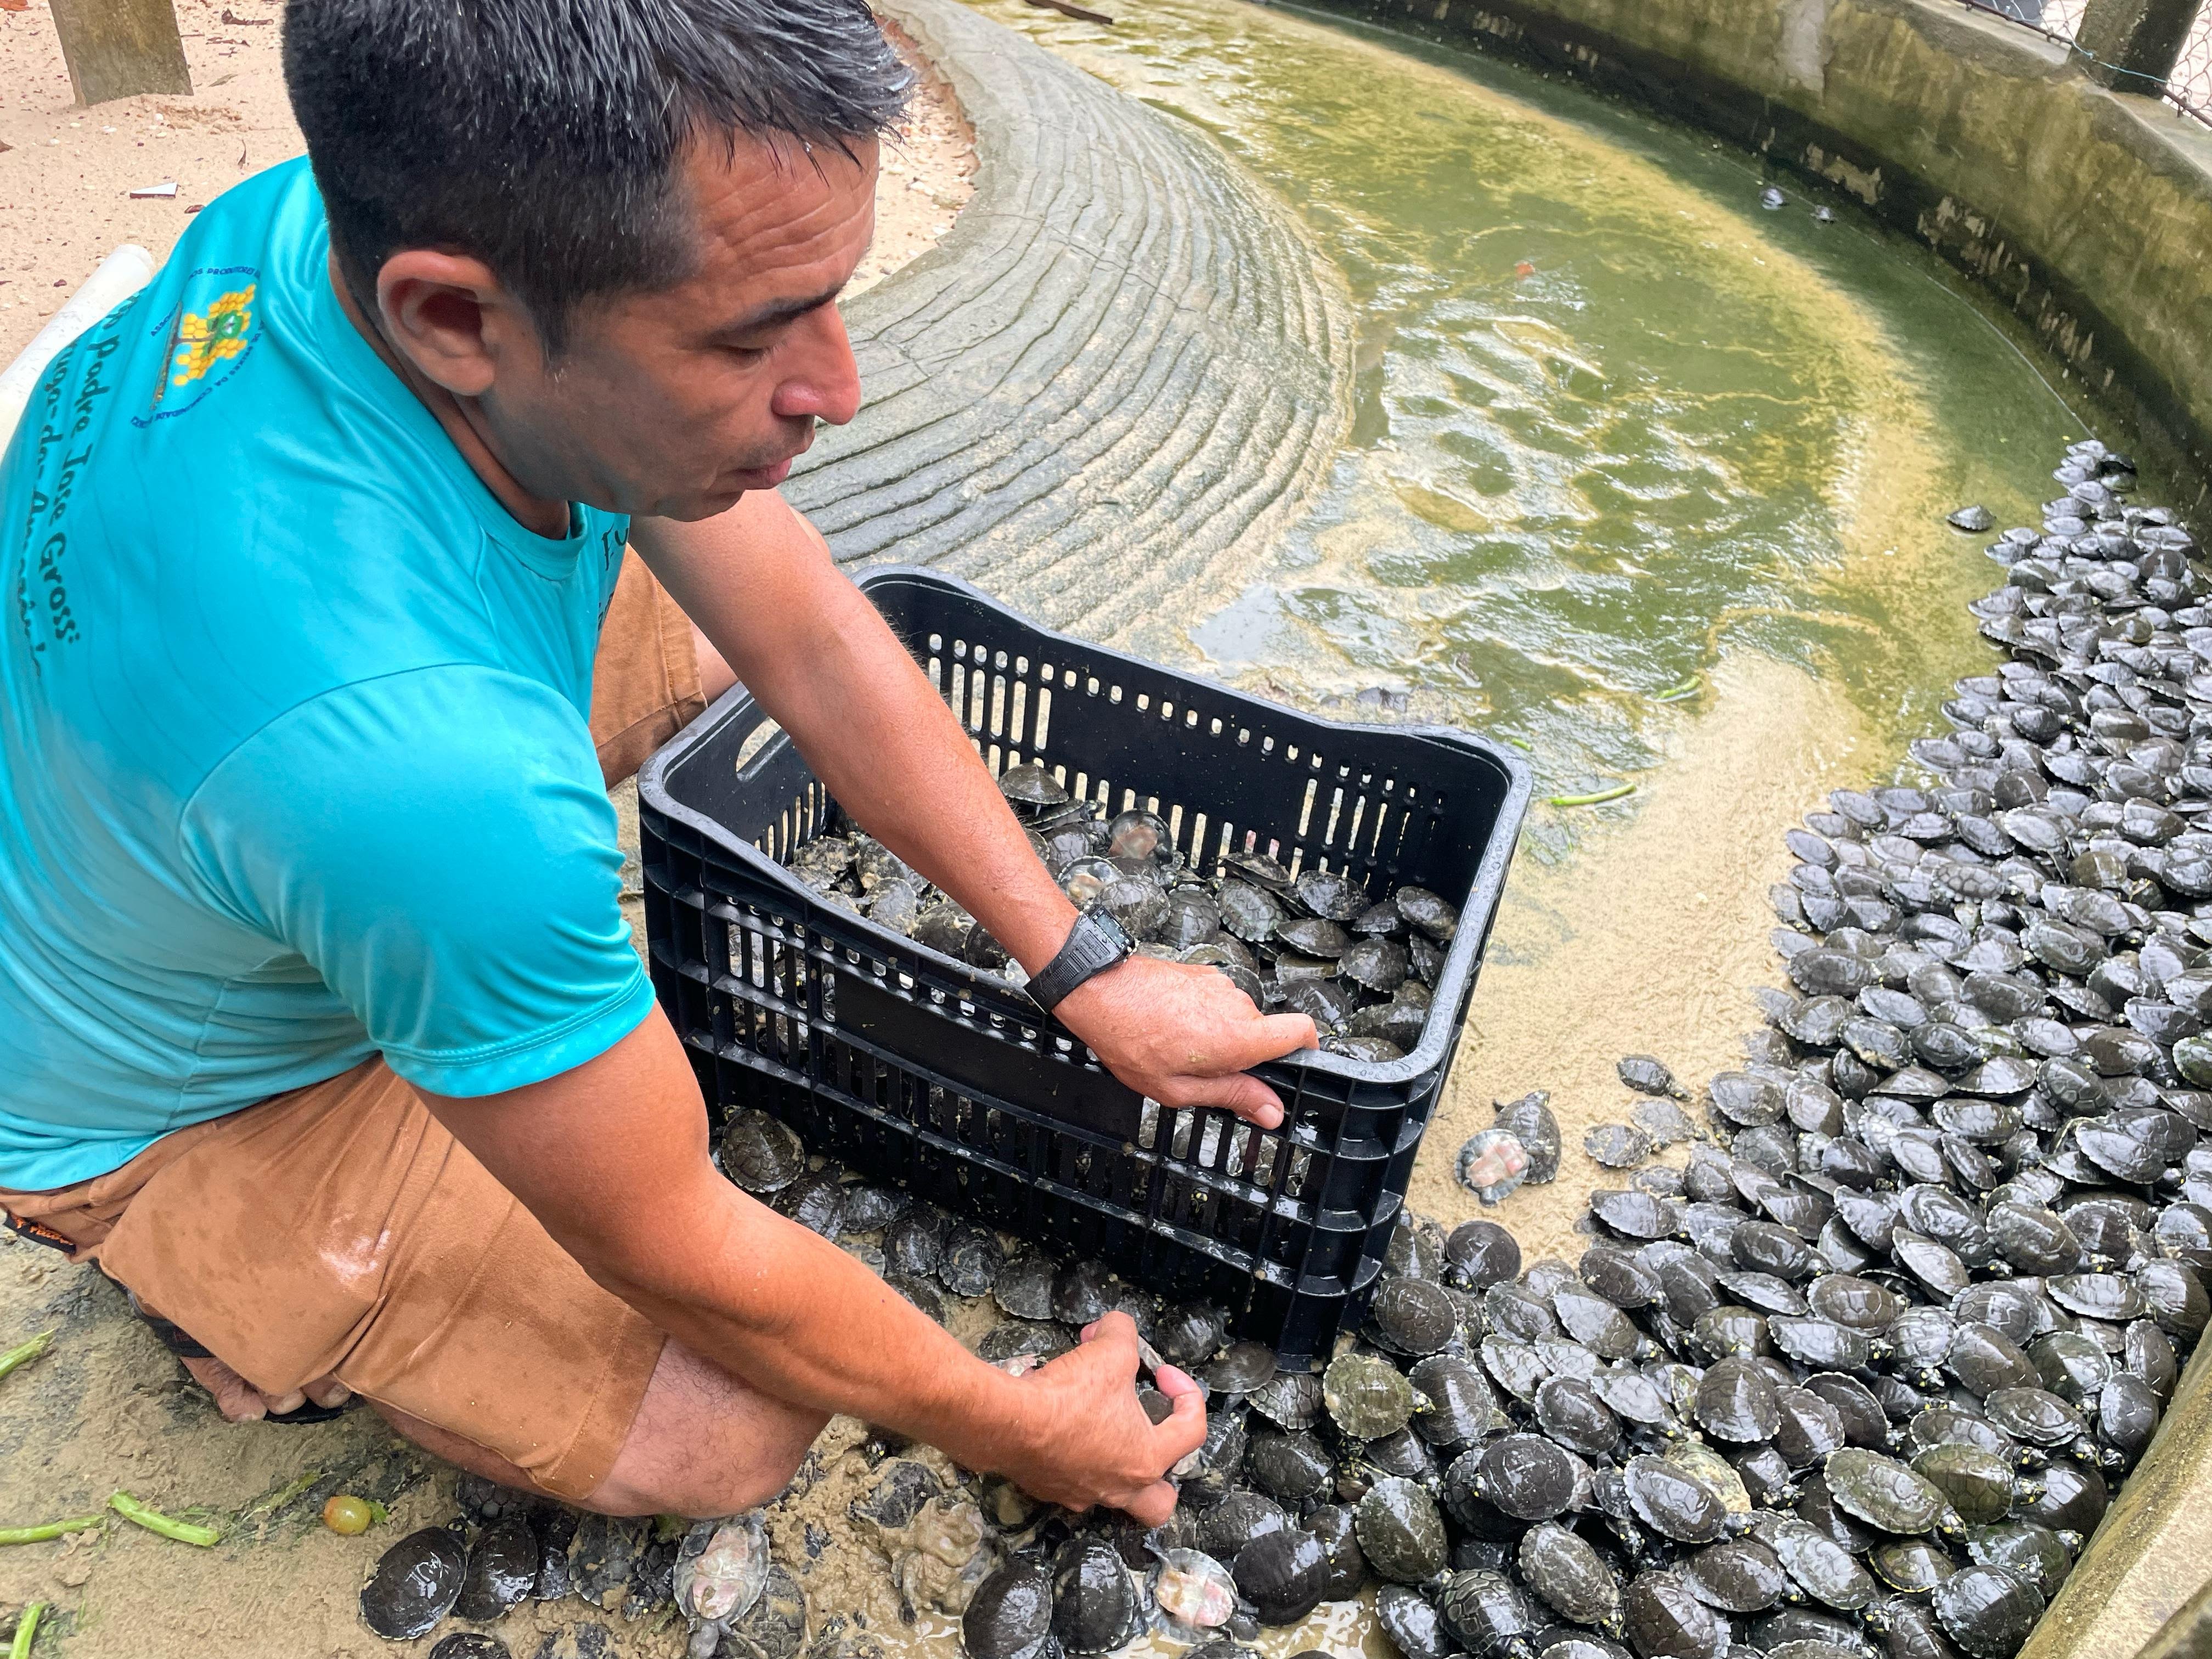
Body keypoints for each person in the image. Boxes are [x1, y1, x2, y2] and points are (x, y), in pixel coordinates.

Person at [0, 0, 1315, 1522]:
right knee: (736, 1429)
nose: (840, 389)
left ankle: (446, 1027)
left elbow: (812, 636)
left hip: (192, 774)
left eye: (832, 300)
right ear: (455, 320)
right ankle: (201, 1274)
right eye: (752, 336)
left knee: (718, 636)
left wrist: (1079, 962)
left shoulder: (339, 220)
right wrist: (1021, 1427)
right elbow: (676, 1241)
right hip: (165, 1092)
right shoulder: (435, 779)